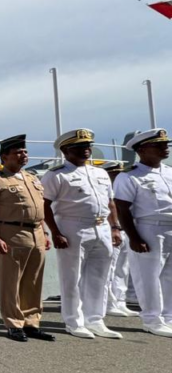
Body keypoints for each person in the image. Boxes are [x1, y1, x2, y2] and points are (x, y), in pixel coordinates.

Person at [41, 128, 123, 339]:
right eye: (79, 147)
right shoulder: (56, 174)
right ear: (66, 150)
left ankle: (95, 319)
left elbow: (110, 202)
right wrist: (55, 232)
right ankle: (74, 321)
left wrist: (115, 227)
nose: (86, 150)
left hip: (102, 227)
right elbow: (45, 204)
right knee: (72, 277)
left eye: (87, 146)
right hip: (72, 227)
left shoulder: (100, 173)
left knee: (99, 276)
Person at [0, 134, 55, 343]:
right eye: (18, 152)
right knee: (10, 281)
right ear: (5, 156)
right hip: (11, 233)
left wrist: (45, 232)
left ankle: (31, 322)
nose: (23, 155)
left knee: (33, 280)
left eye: (25, 152)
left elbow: (38, 209)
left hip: (36, 233)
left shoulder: (32, 178)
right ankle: (13, 323)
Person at [113, 128, 172, 337]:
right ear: (143, 149)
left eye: (166, 144)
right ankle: (152, 319)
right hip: (149, 227)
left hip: (170, 227)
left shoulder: (169, 172)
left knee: (169, 276)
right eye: (160, 145)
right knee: (148, 277)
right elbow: (122, 208)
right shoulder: (130, 176)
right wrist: (135, 237)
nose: (166, 148)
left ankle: (169, 317)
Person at [101, 162, 136, 317]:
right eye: (114, 174)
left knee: (122, 269)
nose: (117, 177)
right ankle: (109, 303)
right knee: (110, 268)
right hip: (110, 231)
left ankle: (120, 301)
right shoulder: (104, 190)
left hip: (125, 231)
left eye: (119, 174)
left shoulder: (123, 190)